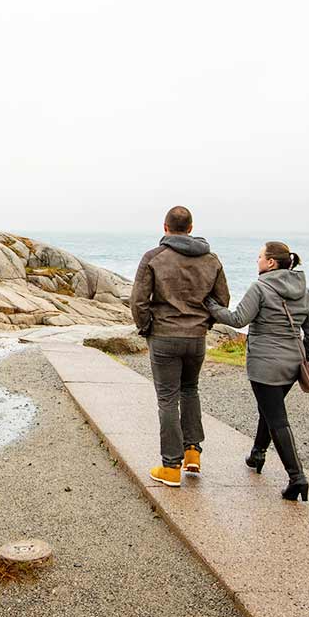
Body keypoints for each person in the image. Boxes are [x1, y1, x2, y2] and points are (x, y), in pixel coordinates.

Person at [206, 241, 309, 502]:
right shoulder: (306, 291)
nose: (257, 261)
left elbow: (238, 319)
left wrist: (211, 306)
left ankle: (297, 477)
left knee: (277, 417)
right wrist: (305, 355)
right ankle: (258, 452)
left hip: (264, 363)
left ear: (271, 263)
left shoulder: (260, 287)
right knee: (269, 409)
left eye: (259, 257)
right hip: (293, 363)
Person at [130, 205, 230, 487]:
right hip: (196, 338)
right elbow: (222, 300)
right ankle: (192, 452)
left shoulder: (153, 257)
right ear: (191, 228)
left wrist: (146, 327)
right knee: (190, 391)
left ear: (165, 228)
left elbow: (138, 300)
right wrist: (204, 324)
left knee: (167, 400)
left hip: (164, 336)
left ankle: (171, 467)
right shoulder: (211, 259)